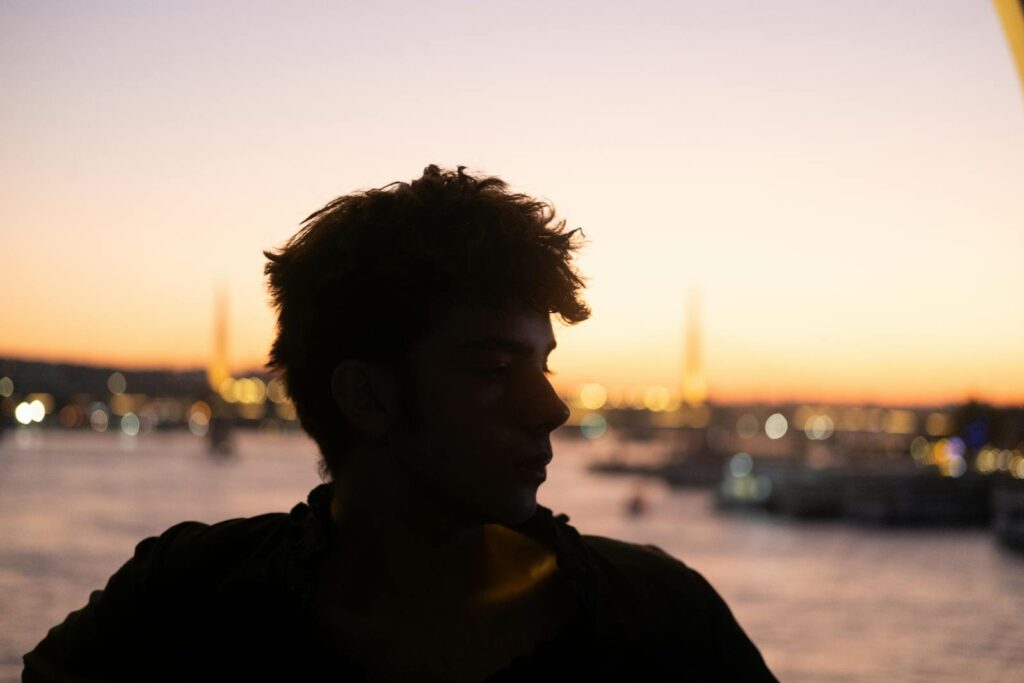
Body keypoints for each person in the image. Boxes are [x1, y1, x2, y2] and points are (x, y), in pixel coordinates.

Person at [24, 166, 777, 682]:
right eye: (493, 369)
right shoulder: (177, 605)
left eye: (543, 365)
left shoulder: (667, 621)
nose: (551, 407)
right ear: (368, 397)